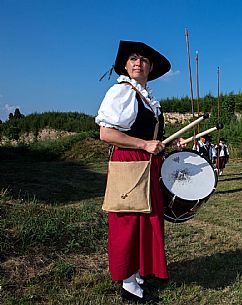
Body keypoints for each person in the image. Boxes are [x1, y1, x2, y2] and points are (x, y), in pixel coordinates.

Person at [95, 40, 184, 303]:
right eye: (133, 58)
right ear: (125, 64)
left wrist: (166, 143)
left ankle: (138, 274)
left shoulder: (146, 97)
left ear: (150, 67)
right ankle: (128, 285)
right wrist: (144, 144)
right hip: (129, 164)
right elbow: (106, 133)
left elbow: (150, 136)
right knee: (129, 222)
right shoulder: (121, 91)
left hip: (146, 163)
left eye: (143, 60)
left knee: (146, 220)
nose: (138, 63)